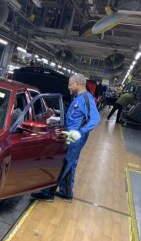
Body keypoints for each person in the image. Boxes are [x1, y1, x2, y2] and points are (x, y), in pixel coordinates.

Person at [31, 74, 101, 202]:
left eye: (70, 84)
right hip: (70, 135)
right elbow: (75, 117)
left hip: (74, 139)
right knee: (71, 164)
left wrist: (80, 132)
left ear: (78, 83)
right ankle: (67, 192)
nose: (68, 87)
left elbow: (95, 119)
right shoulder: (78, 98)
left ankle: (48, 193)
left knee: (62, 164)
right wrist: (58, 118)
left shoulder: (86, 98)